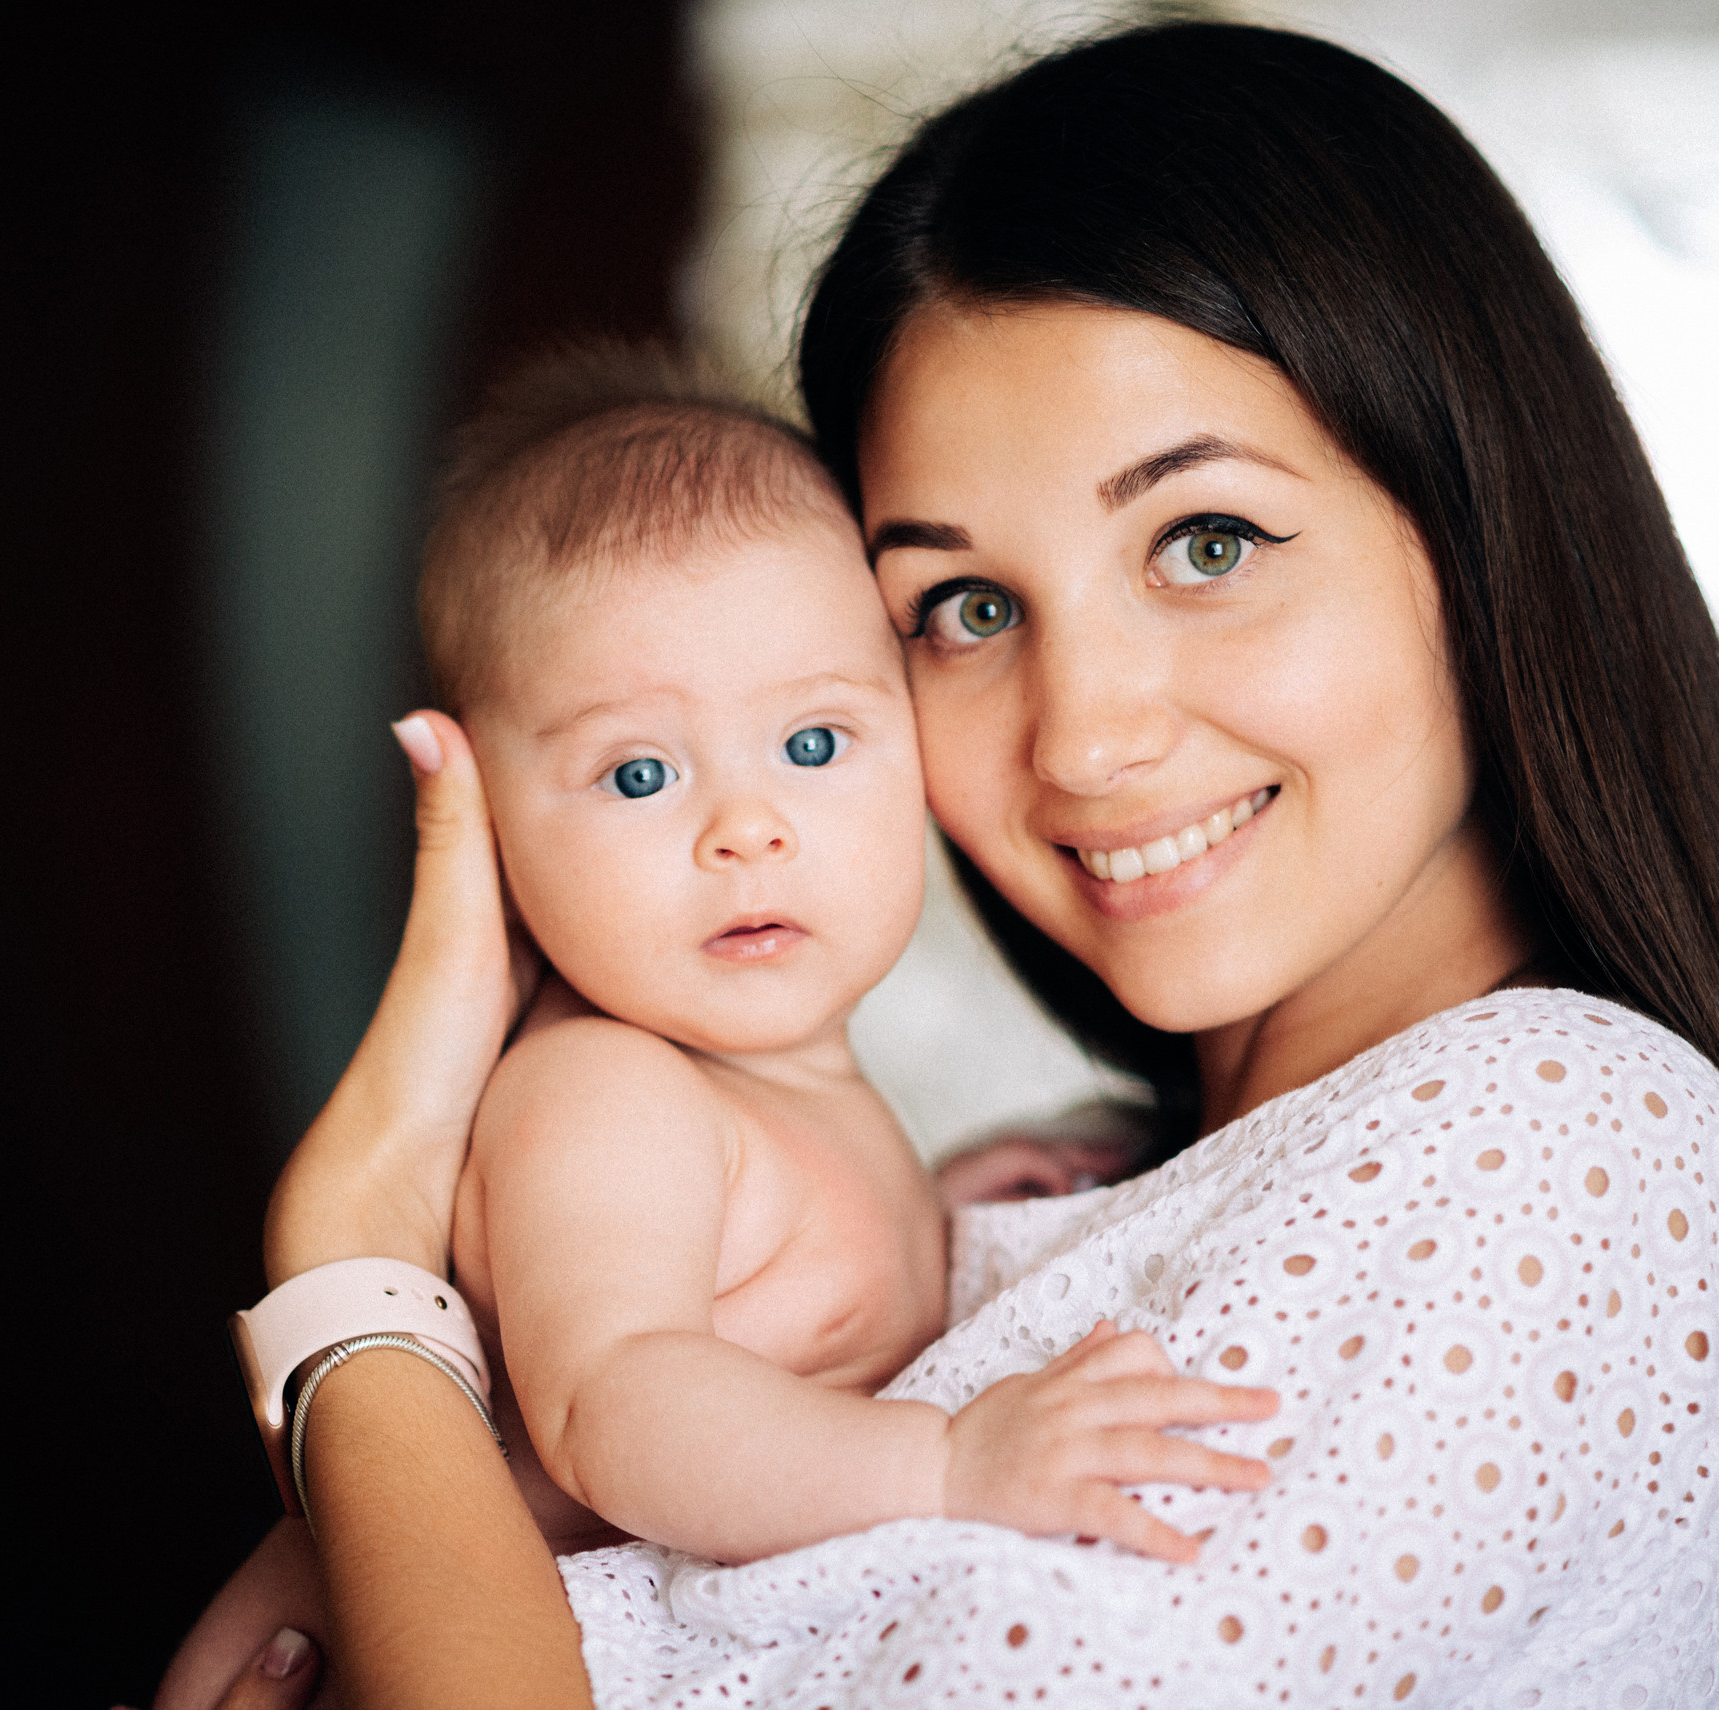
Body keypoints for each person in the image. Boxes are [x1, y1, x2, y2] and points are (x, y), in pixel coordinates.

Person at [161, 22, 1719, 1710]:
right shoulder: (1062, 1198)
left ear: (1477, 522)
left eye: (1206, 541)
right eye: (964, 606)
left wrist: (350, 1292)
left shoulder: (1563, 1142)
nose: (1087, 736)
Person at [416, 348, 1276, 1563]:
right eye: (640, 773)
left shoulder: (763, 1091)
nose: (746, 829)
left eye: (814, 744)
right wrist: (945, 1459)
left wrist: (937, 1227)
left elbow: (771, 1305)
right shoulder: (603, 1093)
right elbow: (613, 1405)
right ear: (483, 812)